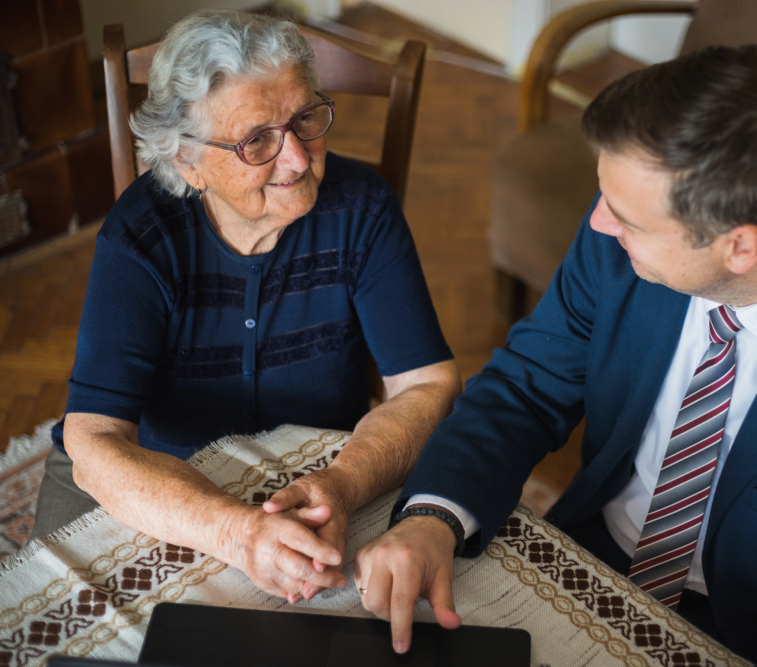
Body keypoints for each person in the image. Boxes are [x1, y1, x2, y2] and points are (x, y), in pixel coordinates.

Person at [354, 45, 757, 664]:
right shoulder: (626, 234)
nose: (599, 224)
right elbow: (525, 387)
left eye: (625, 216)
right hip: (590, 556)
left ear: (741, 248)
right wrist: (433, 517)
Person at [33, 10, 461, 605]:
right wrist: (235, 532)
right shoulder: (140, 238)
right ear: (187, 160)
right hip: (165, 483)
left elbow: (427, 383)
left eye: (306, 118)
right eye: (257, 139)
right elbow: (94, 438)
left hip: (319, 472)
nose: (297, 158)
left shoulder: (362, 210)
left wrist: (343, 482)